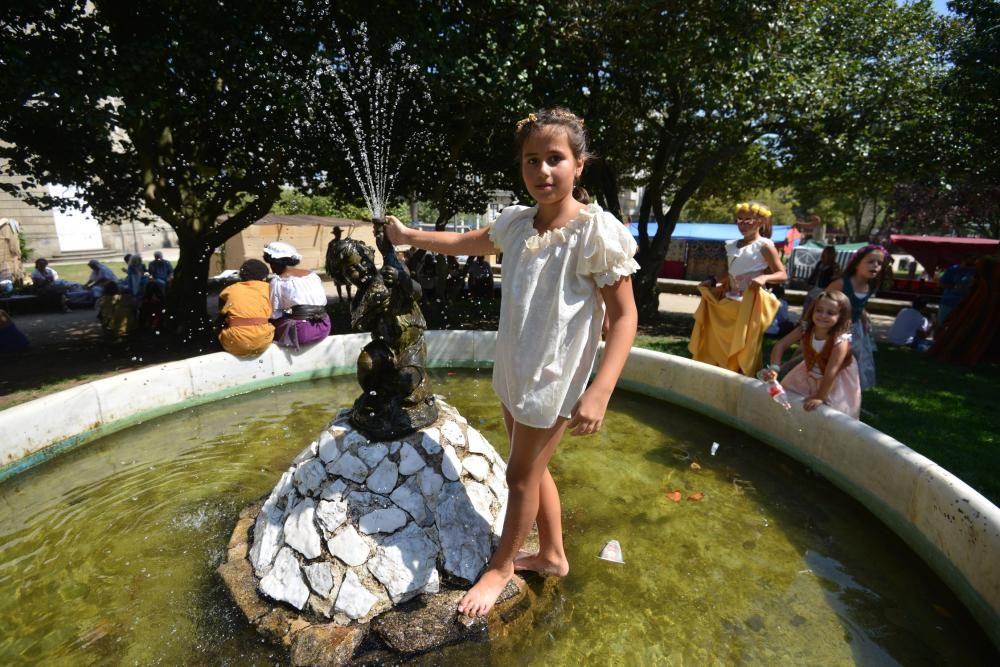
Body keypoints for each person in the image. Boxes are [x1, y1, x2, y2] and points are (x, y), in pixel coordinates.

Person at [385, 107, 638, 618]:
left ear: (579, 165)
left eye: (555, 159)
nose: (543, 171)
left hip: (555, 377)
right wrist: (410, 237)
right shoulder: (517, 223)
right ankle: (552, 555)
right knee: (533, 468)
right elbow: (466, 242)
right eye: (532, 161)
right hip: (515, 366)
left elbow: (626, 317)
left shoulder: (596, 234)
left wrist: (600, 390)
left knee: (519, 476)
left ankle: (501, 567)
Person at [688, 201, 787, 375]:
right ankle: (718, 371)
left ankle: (739, 375)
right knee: (718, 340)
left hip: (748, 304)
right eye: (739, 219)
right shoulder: (733, 245)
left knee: (743, 344)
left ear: (760, 221)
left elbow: (782, 274)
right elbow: (731, 272)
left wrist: (765, 277)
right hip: (729, 300)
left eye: (748, 220)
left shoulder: (764, 246)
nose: (742, 224)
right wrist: (714, 281)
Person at [762, 290, 861, 418]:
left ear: (841, 317)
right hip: (809, 370)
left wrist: (821, 396)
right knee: (789, 396)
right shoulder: (806, 329)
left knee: (833, 411)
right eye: (819, 310)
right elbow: (781, 345)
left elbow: (832, 370)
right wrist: (775, 368)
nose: (823, 315)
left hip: (835, 379)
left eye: (830, 313)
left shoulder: (840, 340)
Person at [828, 244, 889, 390]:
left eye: (879, 263)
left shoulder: (870, 286)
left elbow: (858, 305)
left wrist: (863, 315)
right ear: (856, 264)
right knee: (829, 356)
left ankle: (846, 387)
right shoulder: (841, 284)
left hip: (855, 329)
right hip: (835, 327)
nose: (875, 265)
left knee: (852, 359)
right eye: (870, 261)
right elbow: (823, 301)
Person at [262, 241, 331, 349]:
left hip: (302, 332)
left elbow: (275, 313)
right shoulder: (312, 276)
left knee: (272, 322)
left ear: (275, 263)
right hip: (324, 326)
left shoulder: (278, 281)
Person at [217, 259, 274, 356]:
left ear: (241, 276)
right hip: (263, 342)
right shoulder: (269, 288)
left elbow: (221, 316)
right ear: (264, 277)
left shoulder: (229, 290)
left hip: (234, 343)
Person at [938, 257, 976, 323]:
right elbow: (941, 283)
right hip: (948, 303)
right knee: (943, 325)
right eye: (968, 264)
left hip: (966, 305)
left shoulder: (974, 272)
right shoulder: (952, 270)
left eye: (972, 264)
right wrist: (955, 286)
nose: (969, 266)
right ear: (963, 261)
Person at [330, 227, 353, 303]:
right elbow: (328, 256)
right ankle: (340, 298)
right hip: (336, 266)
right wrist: (329, 266)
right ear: (335, 234)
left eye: (339, 233)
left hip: (344, 265)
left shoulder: (343, 242)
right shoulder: (332, 243)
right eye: (337, 233)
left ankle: (349, 297)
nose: (339, 234)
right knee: (338, 283)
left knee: (348, 281)